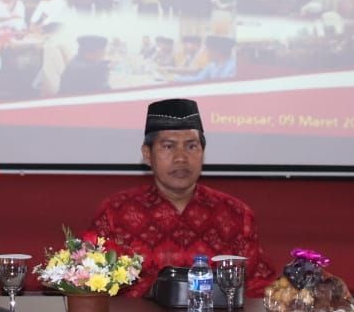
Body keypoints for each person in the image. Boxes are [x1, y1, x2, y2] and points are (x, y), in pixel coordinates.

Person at [89, 99, 277, 299]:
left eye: (191, 146)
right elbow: (90, 283)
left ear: (202, 152)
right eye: (169, 147)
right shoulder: (116, 212)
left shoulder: (236, 214)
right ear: (147, 154)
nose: (181, 157)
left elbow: (258, 286)